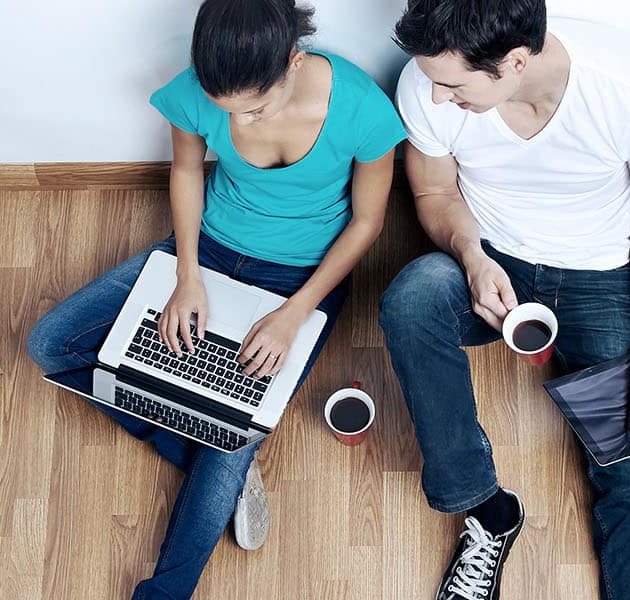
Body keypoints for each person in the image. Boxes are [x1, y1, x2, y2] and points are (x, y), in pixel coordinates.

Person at [24, 0, 405, 597]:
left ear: (293, 62)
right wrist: (188, 275)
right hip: (207, 252)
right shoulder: (195, 92)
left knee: (231, 433)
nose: (245, 122)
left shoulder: (363, 110)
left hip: (299, 280)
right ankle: (207, 456)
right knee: (50, 344)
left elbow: (368, 222)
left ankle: (169, 583)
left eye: (256, 107)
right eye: (232, 111)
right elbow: (184, 172)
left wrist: (297, 312)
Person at [379, 1, 630, 598]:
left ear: (514, 62)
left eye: (453, 85)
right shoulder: (426, 82)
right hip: (491, 256)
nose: (438, 97)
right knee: (414, 297)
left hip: (597, 276)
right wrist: (472, 258)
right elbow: (434, 189)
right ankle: (486, 509)